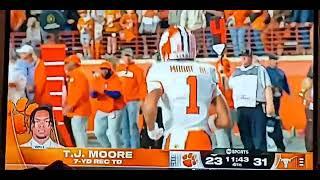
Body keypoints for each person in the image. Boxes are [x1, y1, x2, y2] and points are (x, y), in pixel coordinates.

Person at [143, 26, 231, 150]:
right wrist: (211, 123)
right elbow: (225, 120)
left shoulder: (159, 70)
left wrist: (151, 129)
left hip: (176, 138)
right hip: (203, 139)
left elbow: (149, 104)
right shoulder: (207, 70)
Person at [229, 49, 275, 153]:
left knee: (259, 138)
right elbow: (229, 85)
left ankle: (262, 161)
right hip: (241, 109)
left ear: (251, 57)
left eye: (246, 56)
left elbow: (267, 87)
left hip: (256, 107)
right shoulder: (236, 72)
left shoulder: (259, 70)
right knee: (246, 138)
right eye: (242, 56)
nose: (244, 58)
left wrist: (270, 105)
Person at [116, 48, 147, 148]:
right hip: (121, 102)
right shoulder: (118, 69)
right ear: (122, 56)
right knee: (123, 126)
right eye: (126, 55)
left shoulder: (138, 70)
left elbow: (142, 85)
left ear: (132, 56)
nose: (127, 58)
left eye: (129, 55)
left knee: (133, 125)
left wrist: (142, 100)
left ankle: (135, 148)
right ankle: (126, 147)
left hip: (133, 102)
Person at [91, 62, 125, 148]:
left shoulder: (116, 79)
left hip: (115, 109)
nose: (103, 71)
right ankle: (107, 148)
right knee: (98, 132)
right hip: (102, 108)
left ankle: (116, 152)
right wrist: (94, 93)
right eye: (102, 69)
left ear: (109, 70)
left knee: (112, 133)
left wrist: (104, 91)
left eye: (105, 69)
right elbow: (93, 94)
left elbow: (117, 94)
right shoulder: (98, 79)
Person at [63, 55, 91, 148]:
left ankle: (82, 155)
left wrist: (70, 105)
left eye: (67, 63)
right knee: (80, 133)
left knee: (79, 134)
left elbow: (79, 92)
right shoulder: (76, 74)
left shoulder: (78, 74)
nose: (65, 65)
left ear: (74, 64)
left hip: (79, 109)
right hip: (79, 109)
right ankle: (83, 154)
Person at [265, 55, 290, 152]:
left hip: (277, 98)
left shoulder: (281, 72)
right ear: (269, 61)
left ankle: (277, 141)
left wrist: (286, 91)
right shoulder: (265, 72)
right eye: (273, 60)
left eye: (276, 61)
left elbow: (285, 84)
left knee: (275, 115)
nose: (275, 62)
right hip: (267, 99)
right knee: (270, 117)